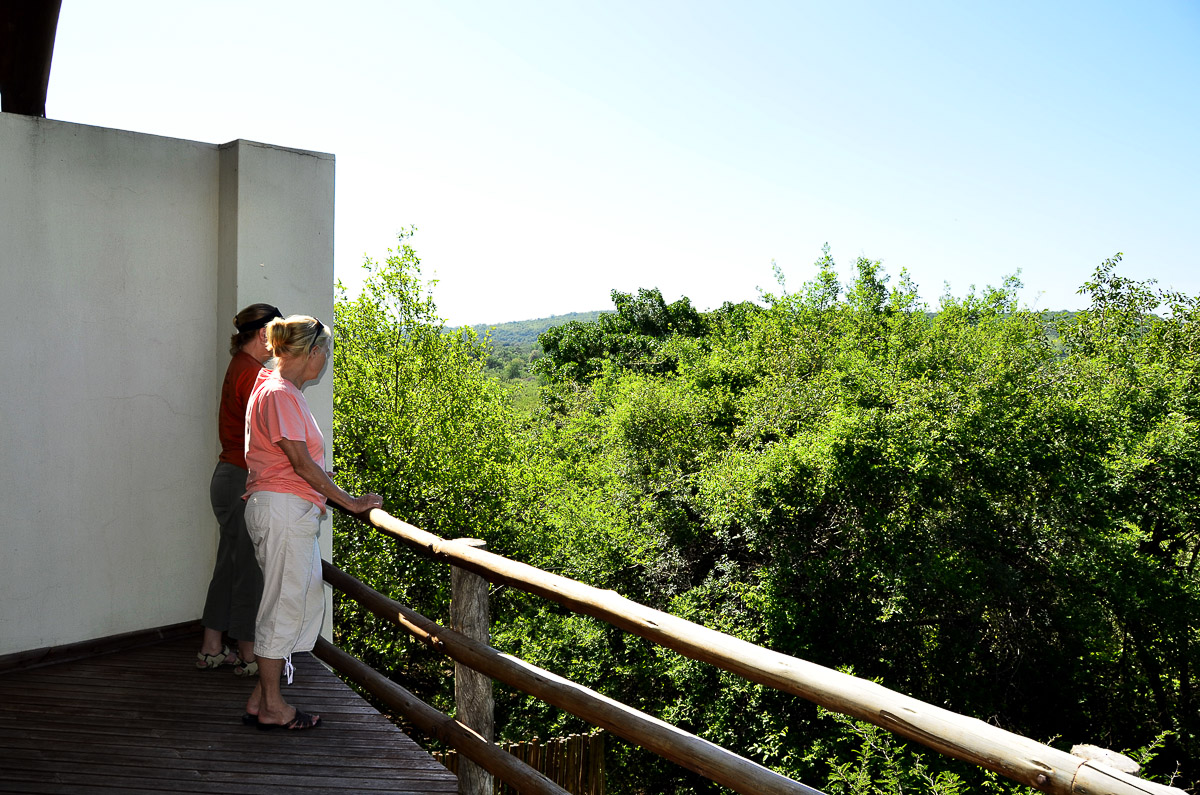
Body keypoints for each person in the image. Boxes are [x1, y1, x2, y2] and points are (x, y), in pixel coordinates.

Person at [242, 315, 382, 731]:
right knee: (283, 606)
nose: (327, 361)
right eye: (327, 352)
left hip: (288, 511)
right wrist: (350, 502)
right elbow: (301, 463)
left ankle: (260, 699)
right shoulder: (280, 394)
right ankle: (271, 706)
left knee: (300, 600)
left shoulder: (279, 389)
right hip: (283, 509)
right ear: (313, 353)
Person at [196, 303, 282, 675]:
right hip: (240, 482)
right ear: (264, 334)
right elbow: (270, 436)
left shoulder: (242, 368)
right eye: (278, 331)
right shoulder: (253, 376)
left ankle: (212, 647)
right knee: (249, 569)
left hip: (229, 478)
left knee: (230, 566)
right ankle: (249, 653)